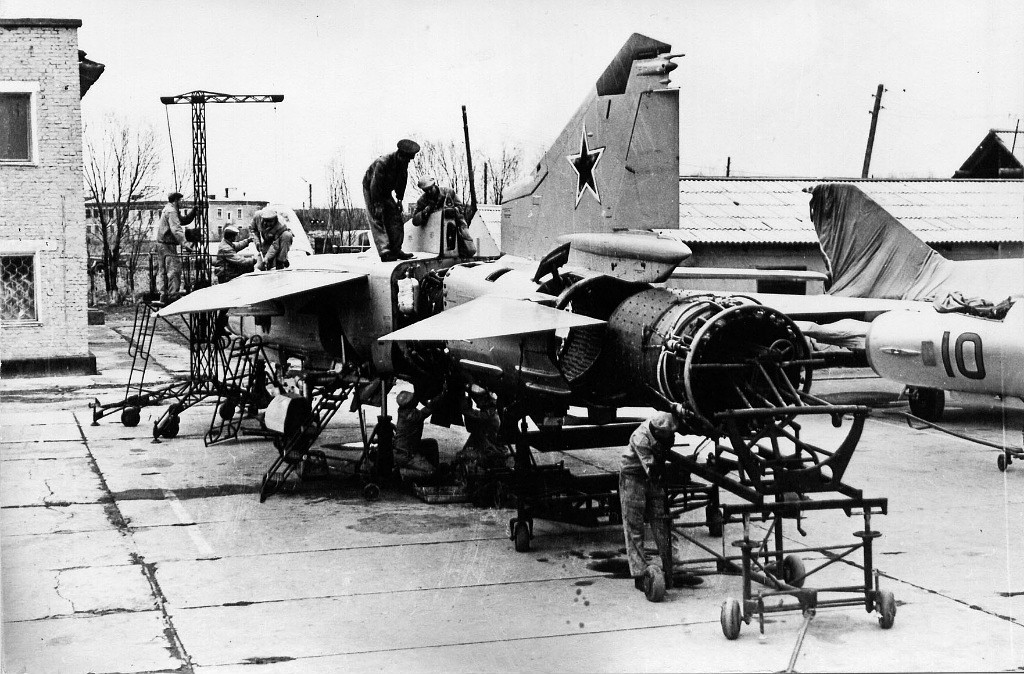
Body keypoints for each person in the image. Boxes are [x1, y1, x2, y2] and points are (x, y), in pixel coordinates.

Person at [619, 410, 678, 602]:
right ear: (659, 432)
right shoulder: (640, 437)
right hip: (633, 477)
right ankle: (639, 574)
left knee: (662, 523)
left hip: (652, 476)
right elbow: (652, 469)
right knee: (634, 525)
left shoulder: (664, 433)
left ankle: (670, 569)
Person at [363, 139, 419, 261]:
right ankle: (384, 251)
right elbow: (375, 185)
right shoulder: (382, 163)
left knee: (395, 218)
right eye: (407, 159)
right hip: (371, 189)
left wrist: (399, 199)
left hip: (386, 190)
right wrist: (377, 205)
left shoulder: (403, 164)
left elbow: (402, 181)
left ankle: (396, 250)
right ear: (400, 155)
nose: (408, 162)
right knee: (377, 217)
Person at [411, 177, 477, 257]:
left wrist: (451, 210)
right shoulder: (422, 201)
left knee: (469, 249)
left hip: (455, 225)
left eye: (430, 189)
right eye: (426, 190)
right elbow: (415, 221)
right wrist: (424, 213)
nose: (429, 192)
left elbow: (461, 208)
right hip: (435, 232)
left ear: (434, 185)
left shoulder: (448, 192)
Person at [393, 388, 446, 484]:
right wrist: (441, 395)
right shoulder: (411, 416)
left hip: (406, 448)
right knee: (431, 472)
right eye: (413, 400)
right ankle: (402, 473)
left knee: (431, 443)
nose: (415, 400)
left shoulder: (404, 411)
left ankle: (434, 469)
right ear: (409, 404)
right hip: (407, 454)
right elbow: (428, 410)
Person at [154, 191, 196, 302]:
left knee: (163, 271)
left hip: (161, 244)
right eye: (180, 200)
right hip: (167, 245)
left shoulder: (168, 209)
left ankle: (164, 295)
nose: (182, 203)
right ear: (176, 200)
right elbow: (176, 229)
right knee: (174, 269)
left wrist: (193, 212)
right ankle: (173, 296)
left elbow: (182, 220)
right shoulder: (172, 211)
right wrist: (185, 243)